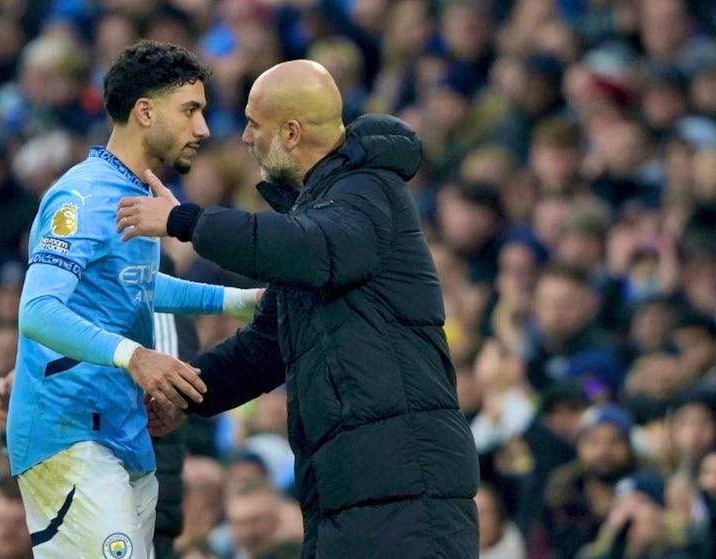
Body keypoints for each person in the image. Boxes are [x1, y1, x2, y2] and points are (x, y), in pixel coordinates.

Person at [118, 60, 480, 557]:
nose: (244, 138)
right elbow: (264, 348)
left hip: (407, 493)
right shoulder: (315, 217)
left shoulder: (366, 189)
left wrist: (185, 220)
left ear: (290, 133)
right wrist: (184, 394)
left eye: (254, 124)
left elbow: (314, 249)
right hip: (347, 494)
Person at [6, 40, 260, 559]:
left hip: (120, 428)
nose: (204, 129)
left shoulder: (135, 193)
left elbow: (134, 285)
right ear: (145, 111)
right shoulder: (80, 197)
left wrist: (237, 301)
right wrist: (135, 356)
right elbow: (36, 311)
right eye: (190, 110)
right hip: (67, 432)